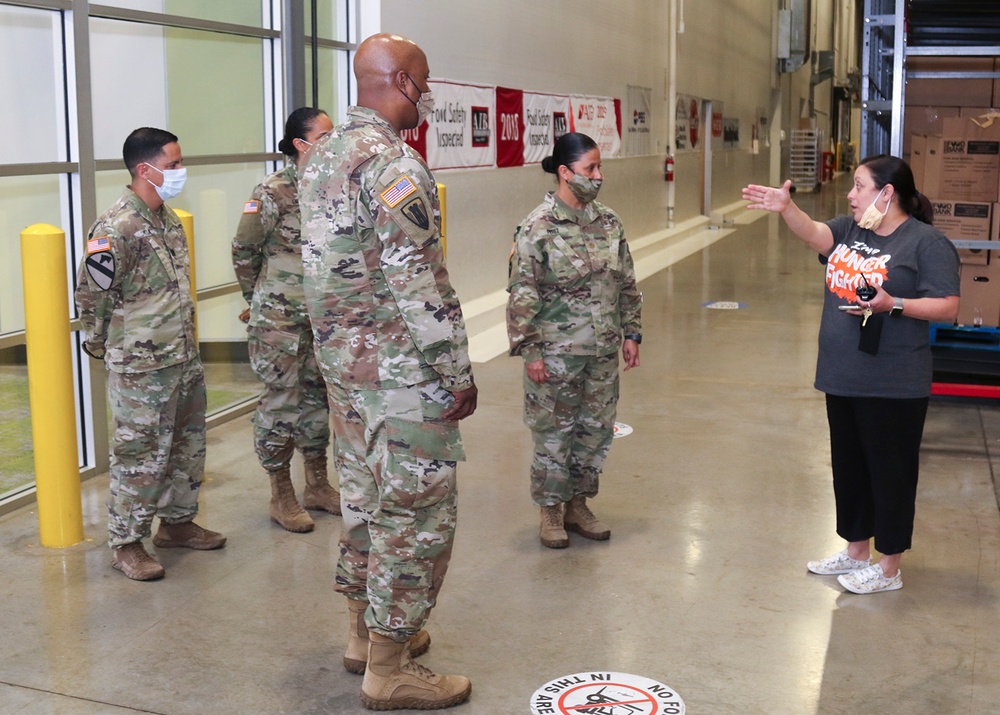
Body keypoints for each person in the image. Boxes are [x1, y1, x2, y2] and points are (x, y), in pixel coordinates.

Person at [298, 33, 477, 710]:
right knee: (415, 515)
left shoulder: (320, 159)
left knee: (363, 502)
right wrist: (457, 370)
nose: (427, 95)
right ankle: (389, 666)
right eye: (423, 81)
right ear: (401, 82)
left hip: (345, 373)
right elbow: (418, 284)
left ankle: (359, 635)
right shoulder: (392, 164)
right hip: (400, 376)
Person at [741, 155, 960, 594]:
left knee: (890, 473)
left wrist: (892, 304)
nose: (850, 194)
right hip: (842, 374)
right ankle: (856, 550)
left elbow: (948, 307)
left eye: (859, 186)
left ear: (887, 193)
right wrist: (787, 207)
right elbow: (815, 234)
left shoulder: (925, 243)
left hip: (893, 381)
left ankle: (888, 567)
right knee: (850, 468)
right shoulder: (849, 230)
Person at [75, 127, 226, 582]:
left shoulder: (168, 218)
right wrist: (105, 345)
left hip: (181, 357)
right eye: (175, 164)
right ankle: (127, 542)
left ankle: (177, 524)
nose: (182, 171)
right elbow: (91, 296)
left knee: (186, 446)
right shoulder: (115, 227)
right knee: (139, 454)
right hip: (141, 366)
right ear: (146, 169)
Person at [506, 132, 642, 550]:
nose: (598, 176)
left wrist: (632, 331)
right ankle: (550, 509)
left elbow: (627, 281)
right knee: (553, 433)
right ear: (565, 173)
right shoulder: (538, 227)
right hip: (556, 353)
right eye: (590, 169)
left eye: (600, 168)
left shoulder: (609, 222)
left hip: (601, 349)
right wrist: (530, 350)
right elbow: (522, 293)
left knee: (594, 431)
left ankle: (578, 503)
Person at [232, 107, 340, 534]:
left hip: (323, 316)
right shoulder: (273, 191)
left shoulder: (334, 188)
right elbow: (244, 250)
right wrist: (258, 298)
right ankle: (281, 493)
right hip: (280, 318)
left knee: (319, 400)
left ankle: (316, 483)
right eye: (325, 135)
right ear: (301, 143)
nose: (333, 141)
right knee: (281, 403)